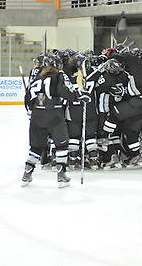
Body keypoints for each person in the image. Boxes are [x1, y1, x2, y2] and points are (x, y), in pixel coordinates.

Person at [21, 54, 91, 188]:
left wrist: (32, 110)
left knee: (36, 147)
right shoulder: (59, 76)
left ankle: (27, 173)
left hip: (37, 115)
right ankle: (61, 175)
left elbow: (28, 98)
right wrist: (79, 97)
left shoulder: (37, 78)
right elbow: (64, 91)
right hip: (54, 115)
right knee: (62, 145)